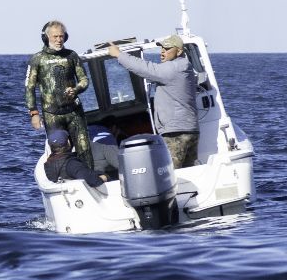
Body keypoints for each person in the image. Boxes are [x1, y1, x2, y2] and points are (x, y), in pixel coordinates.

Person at [107, 35, 199, 168]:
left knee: (170, 174)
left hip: (176, 133)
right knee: (189, 173)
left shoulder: (174, 68)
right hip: (188, 130)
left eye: (167, 48)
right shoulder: (183, 67)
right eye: (161, 48)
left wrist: (119, 55)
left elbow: (147, 68)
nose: (162, 51)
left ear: (179, 51)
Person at [25, 20, 92, 166]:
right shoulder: (37, 59)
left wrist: (76, 89)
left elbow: (84, 80)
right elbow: (29, 87)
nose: (58, 40)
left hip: (74, 112)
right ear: (47, 37)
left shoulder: (71, 56)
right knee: (59, 152)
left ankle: (90, 177)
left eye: (61, 36)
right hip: (52, 115)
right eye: (55, 36)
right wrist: (34, 113)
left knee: (84, 149)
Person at [43, 130, 108, 194]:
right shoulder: (72, 164)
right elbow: (94, 181)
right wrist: (104, 177)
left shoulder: (48, 163)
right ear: (68, 142)